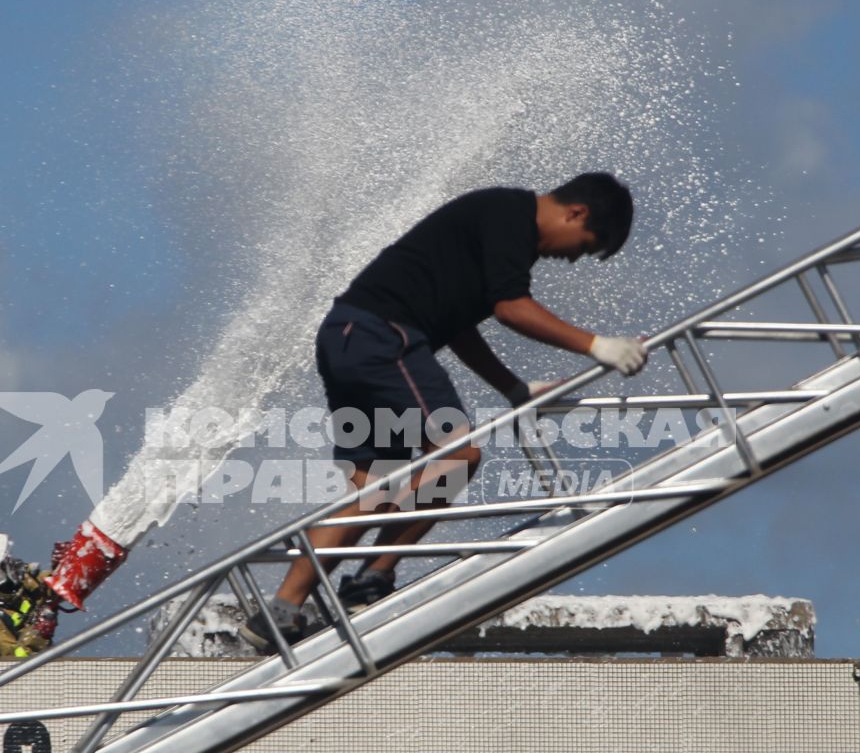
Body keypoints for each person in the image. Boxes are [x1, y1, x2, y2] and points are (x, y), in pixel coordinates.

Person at [242, 173, 646, 651]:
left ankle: (291, 608)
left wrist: (514, 388)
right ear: (575, 214)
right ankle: (365, 576)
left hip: (352, 335)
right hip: (381, 335)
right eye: (583, 245)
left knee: (376, 485)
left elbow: (459, 328)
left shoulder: (500, 226)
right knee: (458, 455)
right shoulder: (509, 216)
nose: (572, 258)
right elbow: (512, 309)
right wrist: (597, 345)